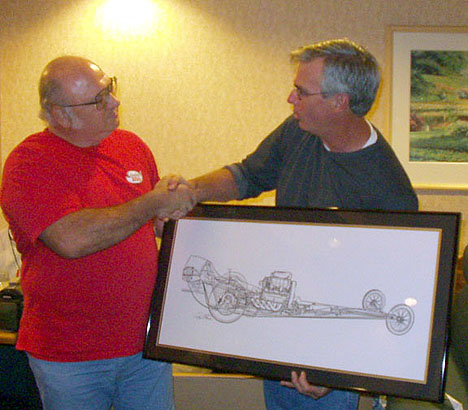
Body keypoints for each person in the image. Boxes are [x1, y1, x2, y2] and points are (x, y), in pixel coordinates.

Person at [184, 39, 419, 410]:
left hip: (332, 372)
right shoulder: (299, 132)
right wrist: (190, 192)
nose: (290, 99)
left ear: (339, 101)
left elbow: (387, 297)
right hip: (283, 336)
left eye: (301, 91)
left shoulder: (388, 191)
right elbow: (247, 175)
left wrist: (335, 375)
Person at [0, 56, 196, 410]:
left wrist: (172, 211)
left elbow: (149, 223)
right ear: (60, 114)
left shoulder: (131, 146)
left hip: (145, 348)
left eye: (110, 88)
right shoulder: (28, 163)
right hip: (70, 357)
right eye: (99, 98)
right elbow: (70, 239)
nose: (115, 101)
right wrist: (152, 204)